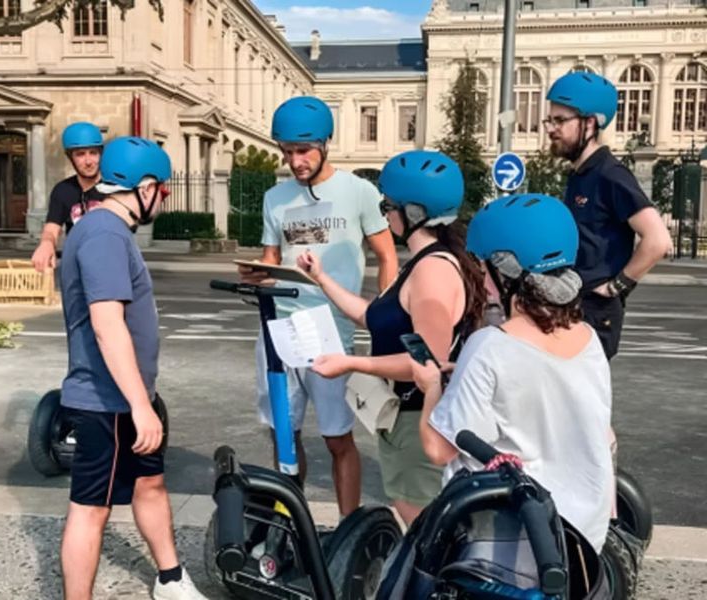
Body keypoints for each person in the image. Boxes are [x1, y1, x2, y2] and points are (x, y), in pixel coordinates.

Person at [415, 193, 613, 552]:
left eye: (483, 267)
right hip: (582, 537)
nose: (483, 280)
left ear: (504, 271)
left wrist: (431, 387)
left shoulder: (489, 345)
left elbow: (439, 449)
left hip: (512, 539)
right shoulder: (588, 339)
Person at [298, 150, 485, 525]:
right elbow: (374, 316)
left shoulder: (432, 269)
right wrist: (322, 278)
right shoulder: (424, 261)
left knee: (425, 525)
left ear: (413, 213)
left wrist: (351, 363)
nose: (384, 214)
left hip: (419, 421)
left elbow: (425, 362)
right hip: (407, 417)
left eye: (388, 205)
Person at [58, 136, 206, 600]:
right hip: (109, 400)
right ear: (143, 187)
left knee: (150, 482)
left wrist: (144, 400)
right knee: (91, 508)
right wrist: (140, 406)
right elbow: (107, 325)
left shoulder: (106, 228)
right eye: (161, 192)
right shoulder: (103, 233)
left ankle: (170, 579)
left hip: (130, 394)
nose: (162, 201)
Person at [238, 96, 398, 518]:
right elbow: (272, 258)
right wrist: (258, 272)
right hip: (278, 326)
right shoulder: (276, 197)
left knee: (336, 439)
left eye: (303, 150)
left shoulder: (359, 191)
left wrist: (383, 317)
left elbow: (387, 257)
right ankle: (291, 521)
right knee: (282, 435)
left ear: (325, 143)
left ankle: (349, 528)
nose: (295, 161)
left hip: (329, 329)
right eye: (287, 151)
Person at [545, 72, 671, 359]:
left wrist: (616, 287)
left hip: (594, 312)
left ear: (590, 123)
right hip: (574, 305)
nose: (551, 128)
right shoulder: (581, 174)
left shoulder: (610, 175)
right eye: (550, 120)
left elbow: (658, 240)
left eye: (560, 120)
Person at [31, 121, 105, 273]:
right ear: (70, 157)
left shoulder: (115, 188)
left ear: (100, 153)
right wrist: (46, 243)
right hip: (75, 267)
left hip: (111, 265)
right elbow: (52, 229)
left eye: (93, 152)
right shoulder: (63, 190)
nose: (89, 161)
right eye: (80, 154)